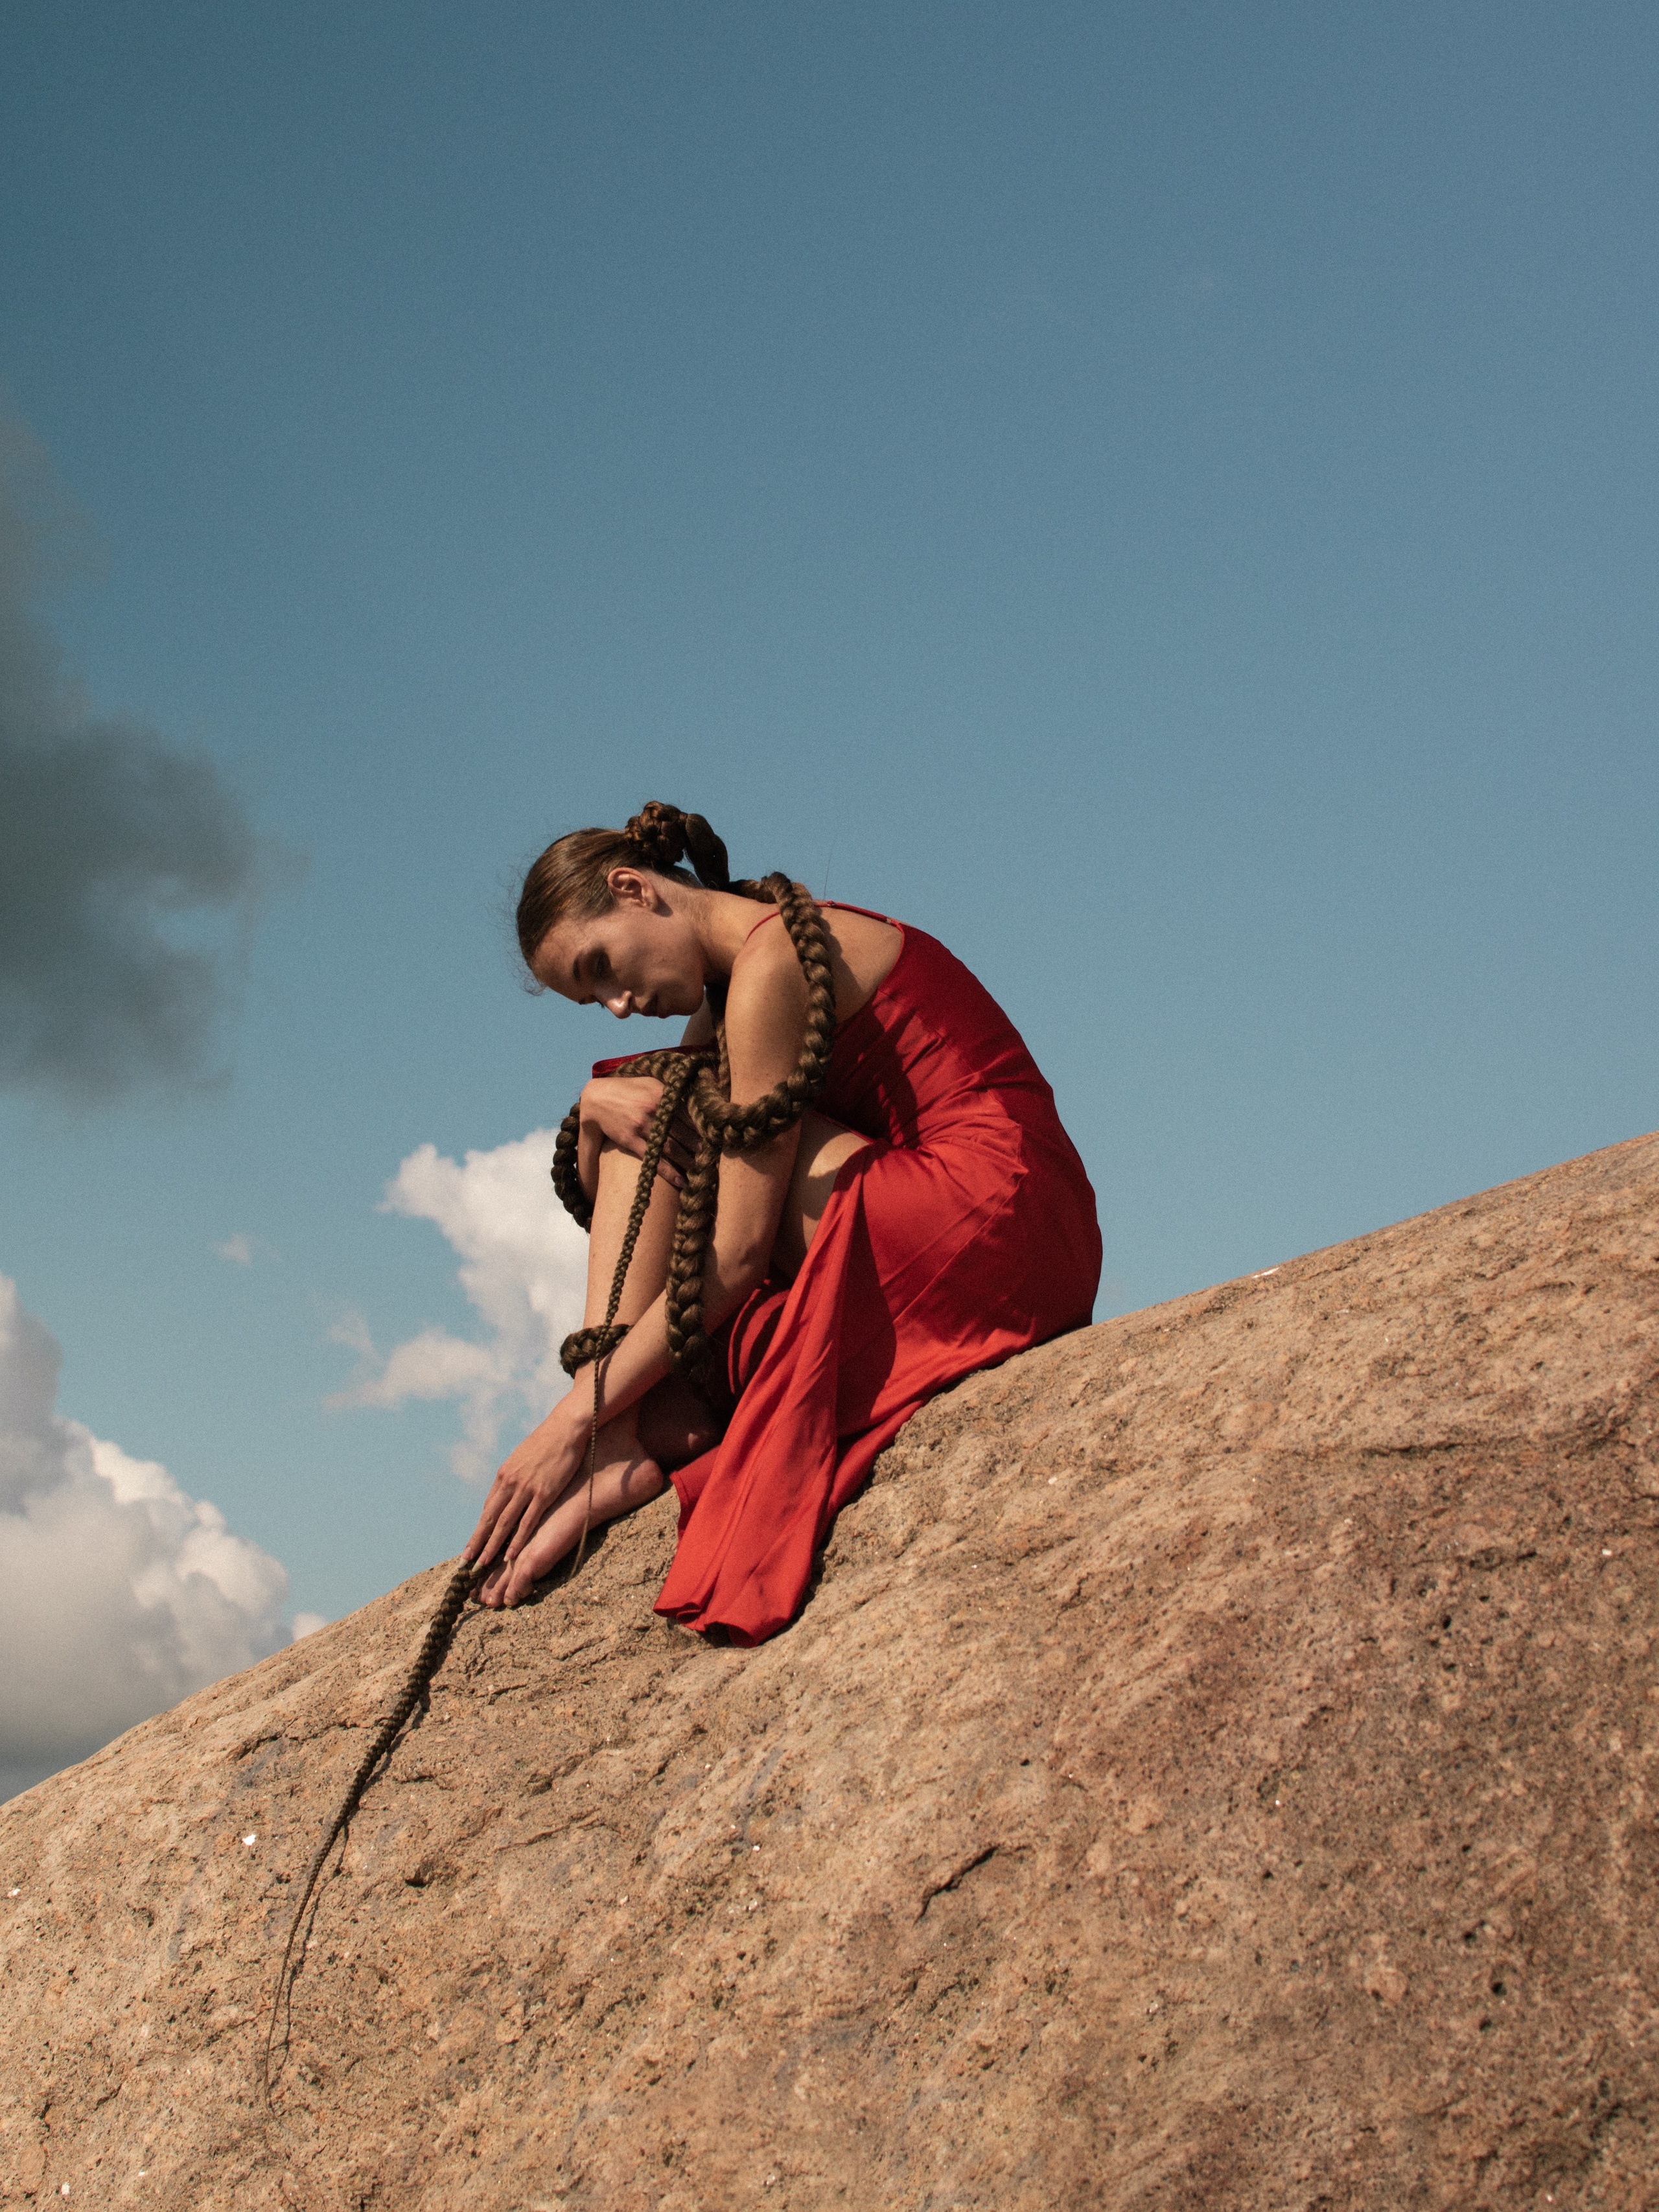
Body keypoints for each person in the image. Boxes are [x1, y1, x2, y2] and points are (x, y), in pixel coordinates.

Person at [465, 804, 1102, 1644]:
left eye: (602, 968)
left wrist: (565, 1422)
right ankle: (621, 1430)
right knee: (638, 1101)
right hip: (985, 1217)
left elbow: (731, 1258)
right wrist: (592, 1105)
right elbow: (630, 1171)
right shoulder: (735, 979)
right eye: (594, 998)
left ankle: (610, 1431)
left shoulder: (768, 964)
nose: (619, 1003)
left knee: (659, 1107)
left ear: (633, 889)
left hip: (994, 1208)